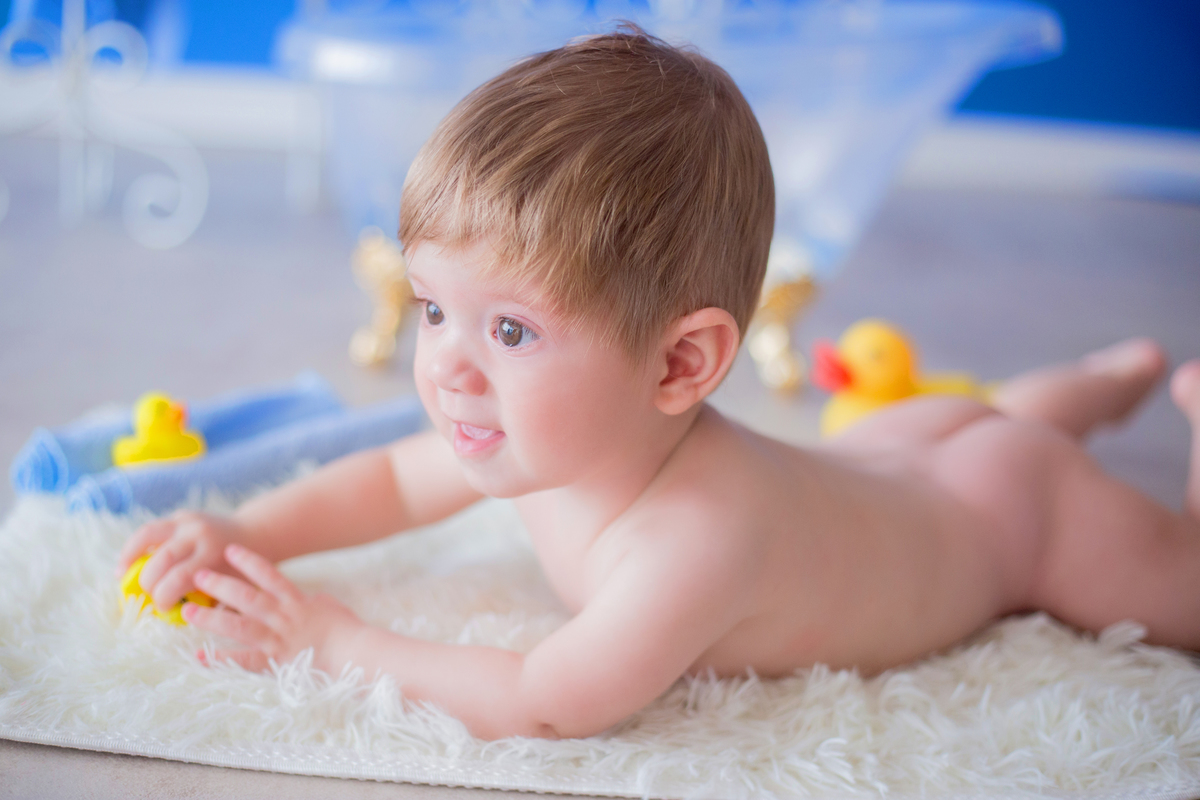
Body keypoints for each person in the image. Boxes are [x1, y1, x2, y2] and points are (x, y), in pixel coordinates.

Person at [117, 29, 1200, 741]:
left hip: (1011, 513)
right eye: (433, 307)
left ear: (683, 362)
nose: (446, 360)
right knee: (972, 429)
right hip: (908, 454)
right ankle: (1094, 385)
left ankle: (1144, 419)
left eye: (508, 328)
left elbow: (544, 699)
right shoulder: (539, 426)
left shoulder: (696, 539)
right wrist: (247, 530)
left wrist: (331, 639)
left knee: (1176, 585)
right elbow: (390, 484)